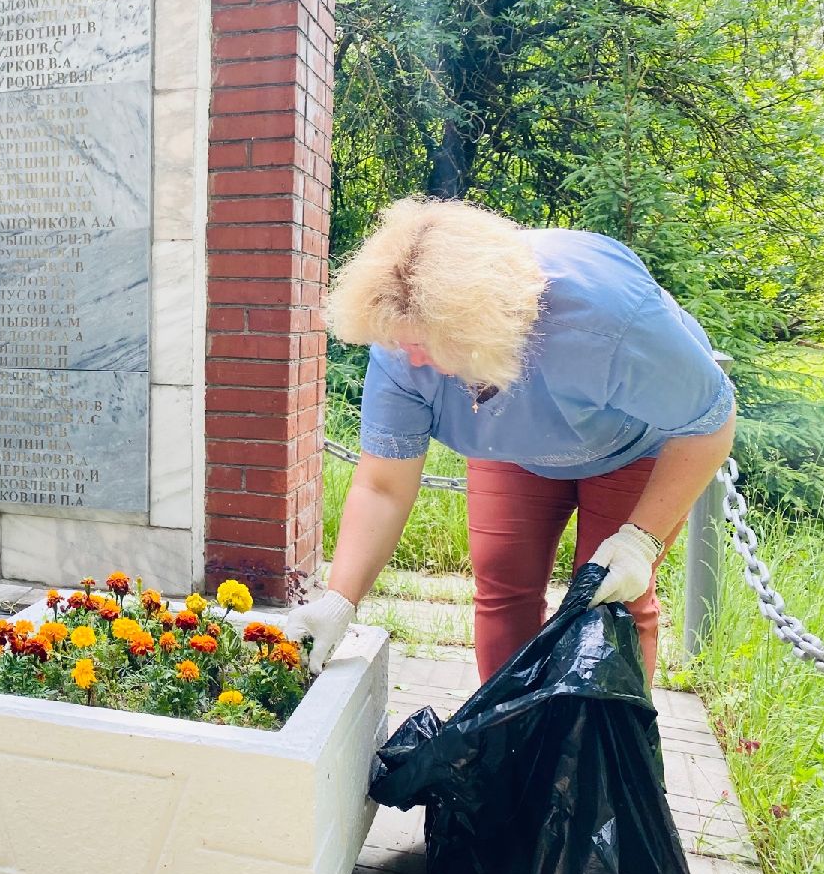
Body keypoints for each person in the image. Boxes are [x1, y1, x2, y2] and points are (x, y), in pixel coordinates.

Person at [287, 198, 735, 685]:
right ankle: (507, 747)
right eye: (400, 343)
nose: (410, 360)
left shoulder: (606, 316)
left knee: (609, 600)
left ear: (477, 325)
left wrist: (640, 541)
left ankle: (599, 755)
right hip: (515, 451)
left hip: (633, 448)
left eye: (422, 344)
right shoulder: (400, 349)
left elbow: (710, 423)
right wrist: (340, 599)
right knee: (504, 585)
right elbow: (383, 486)